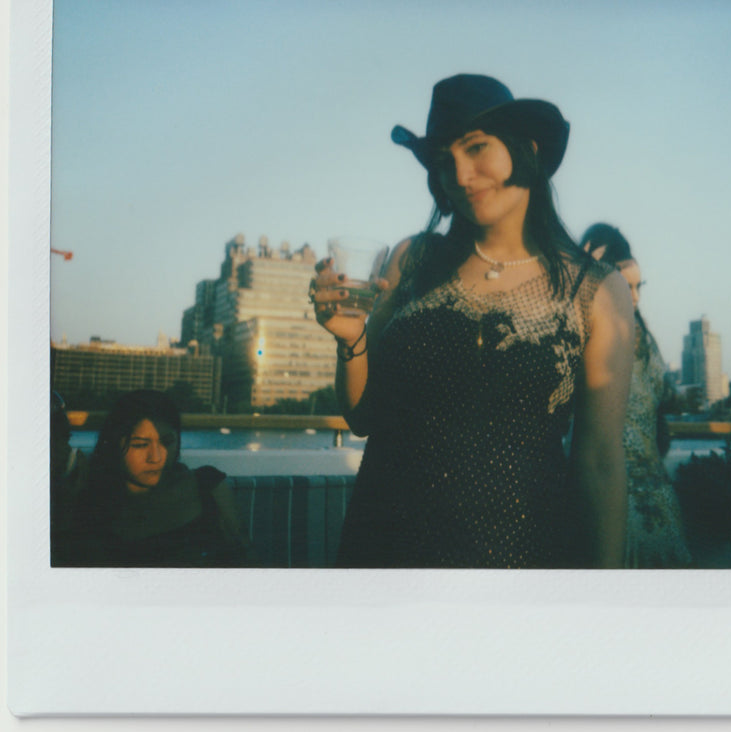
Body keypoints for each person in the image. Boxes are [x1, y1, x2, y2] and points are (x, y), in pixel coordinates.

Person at [310, 74, 634, 568]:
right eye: (444, 162)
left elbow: (601, 463)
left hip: (517, 562)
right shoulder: (413, 260)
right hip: (384, 552)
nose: (460, 175)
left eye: (477, 148)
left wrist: (605, 598)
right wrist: (352, 342)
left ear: (526, 148)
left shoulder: (593, 289)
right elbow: (363, 418)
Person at [581, 223, 692, 568]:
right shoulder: (620, 332)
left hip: (641, 495)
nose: (636, 297)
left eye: (638, 287)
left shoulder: (609, 331)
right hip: (624, 493)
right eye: (627, 286)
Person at [51, 389, 253, 567]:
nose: (156, 457)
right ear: (112, 445)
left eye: (167, 442)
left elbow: (245, 561)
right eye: (140, 444)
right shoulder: (89, 502)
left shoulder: (208, 486)